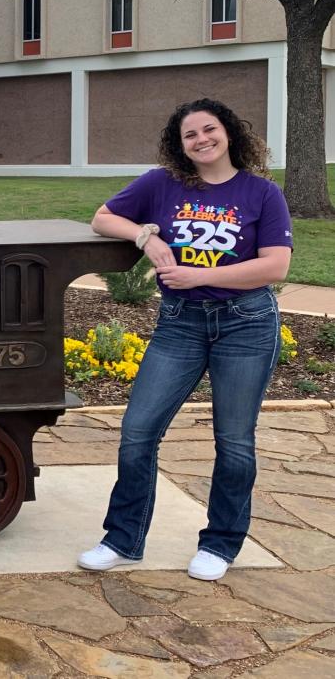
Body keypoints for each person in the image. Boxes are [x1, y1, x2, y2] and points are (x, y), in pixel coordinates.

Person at [78, 98, 292, 581]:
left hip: (246, 324)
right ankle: (123, 538)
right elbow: (102, 218)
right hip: (180, 324)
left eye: (208, 130)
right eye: (189, 135)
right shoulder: (162, 184)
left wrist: (197, 276)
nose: (201, 140)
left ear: (229, 133)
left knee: (234, 441)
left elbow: (276, 265)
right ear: (181, 146)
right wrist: (146, 239)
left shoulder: (261, 193)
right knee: (137, 432)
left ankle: (221, 544)